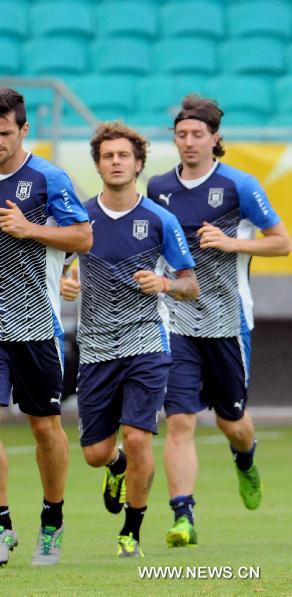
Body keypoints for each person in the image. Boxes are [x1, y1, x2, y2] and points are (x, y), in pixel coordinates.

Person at [0, 87, 91, 567]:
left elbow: (83, 236)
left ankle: (52, 519)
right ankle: (1, 525)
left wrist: (32, 229)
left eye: (5, 133)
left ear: (24, 130)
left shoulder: (49, 178)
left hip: (35, 325)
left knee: (44, 428)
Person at [147, 95, 291, 547]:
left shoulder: (239, 186)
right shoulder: (157, 188)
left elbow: (281, 243)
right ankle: (182, 516)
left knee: (234, 422)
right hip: (175, 322)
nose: (189, 142)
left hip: (228, 324)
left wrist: (232, 245)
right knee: (180, 421)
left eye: (197, 134)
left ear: (215, 139)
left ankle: (245, 458)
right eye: (182, 134)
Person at [60, 122, 199, 558]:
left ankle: (131, 531)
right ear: (98, 164)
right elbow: (57, 263)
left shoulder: (161, 219)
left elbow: (190, 284)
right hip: (95, 347)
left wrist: (164, 283)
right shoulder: (79, 217)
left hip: (147, 342)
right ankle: (115, 467)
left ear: (139, 164)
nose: (116, 162)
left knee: (139, 438)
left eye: (124, 156)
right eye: (108, 156)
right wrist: (65, 279)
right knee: (96, 454)